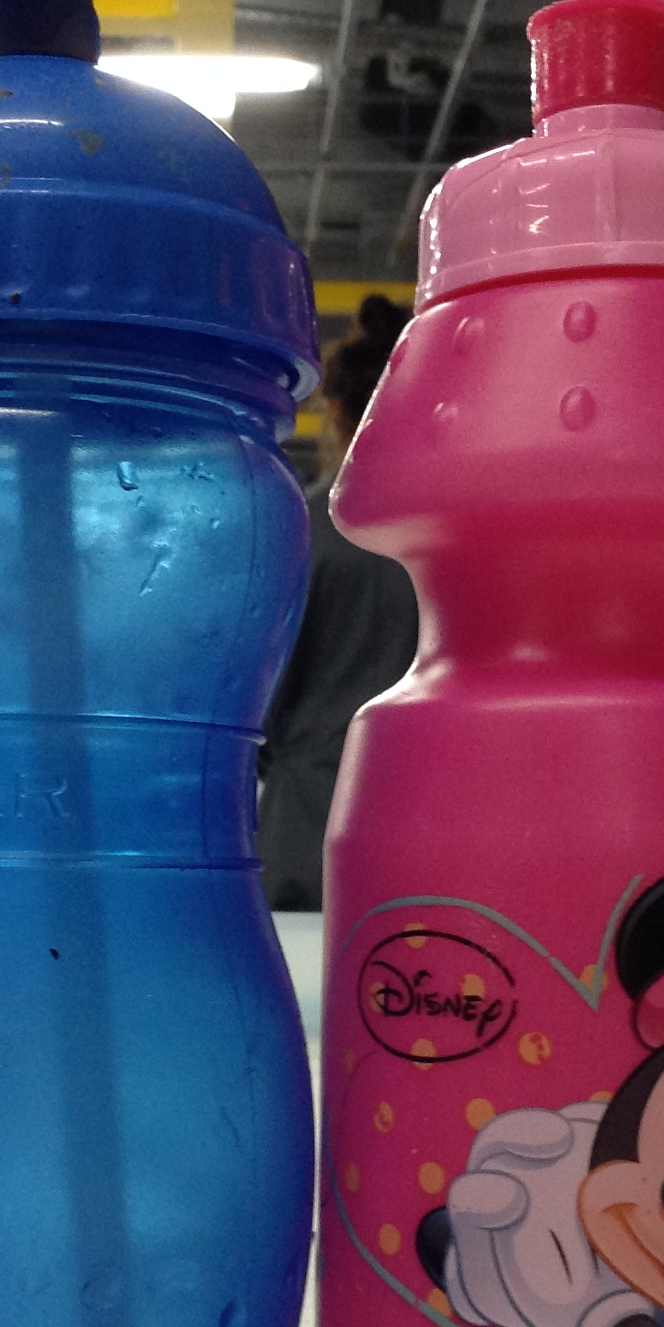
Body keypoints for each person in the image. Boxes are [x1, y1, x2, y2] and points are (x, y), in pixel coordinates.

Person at [260, 294, 418, 910]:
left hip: (307, 824)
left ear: (337, 413)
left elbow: (259, 691)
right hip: (429, 817)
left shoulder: (297, 529)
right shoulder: (462, 536)